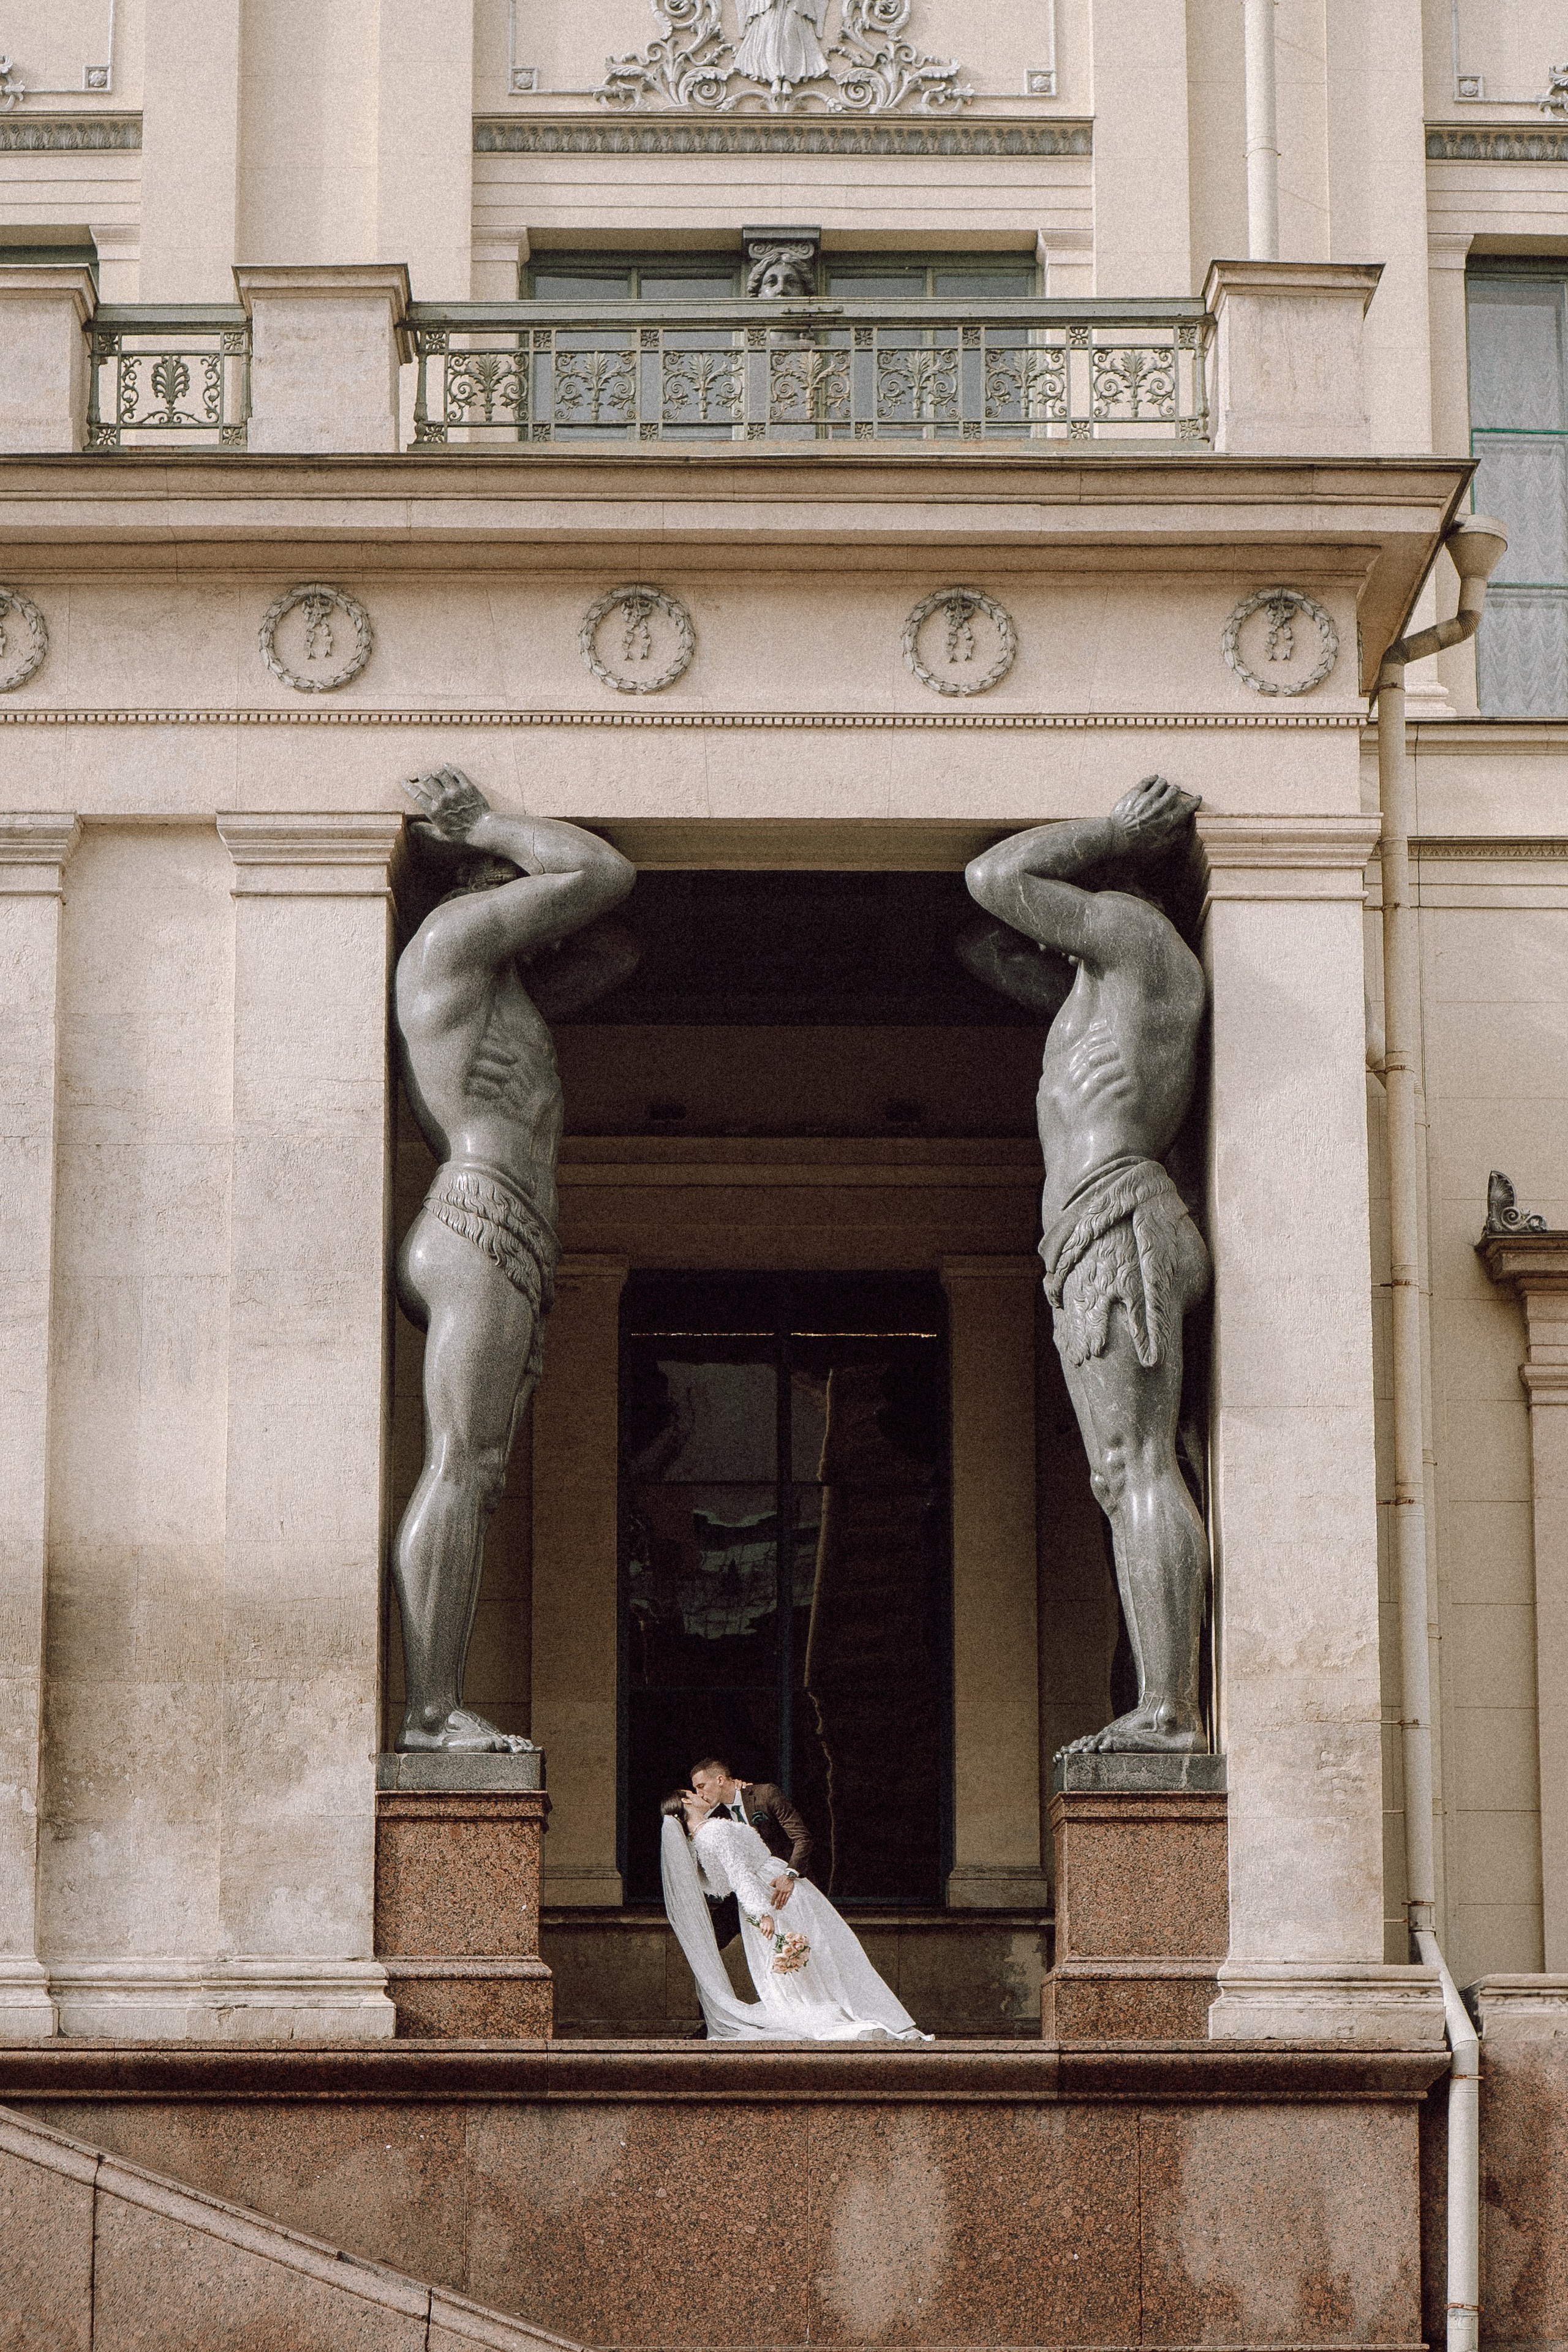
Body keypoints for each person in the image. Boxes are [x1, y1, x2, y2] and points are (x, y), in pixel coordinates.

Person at [962, 774, 1210, 1755]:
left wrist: (1110, 830)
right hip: (1093, 1233)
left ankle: (1168, 1710)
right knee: (1126, 1474)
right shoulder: (1099, 989)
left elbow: (995, 879)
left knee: (1134, 1465)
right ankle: (1161, 1697)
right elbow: (982, 945)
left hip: (1116, 1221)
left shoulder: (1139, 939)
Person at [391, 767, 637, 1752]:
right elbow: (601, 875)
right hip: (476, 1219)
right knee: (460, 1464)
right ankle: (430, 1715)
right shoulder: (448, 942)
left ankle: (436, 1706)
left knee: (480, 1472)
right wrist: (488, 823)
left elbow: (613, 948)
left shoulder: (502, 990)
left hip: (511, 1234)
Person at [659, 1789, 930, 2041]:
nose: (700, 1793)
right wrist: (763, 1913)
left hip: (757, 1898)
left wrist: (755, 1908)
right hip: (772, 1894)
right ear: (686, 1801)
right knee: (820, 1950)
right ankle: (839, 2014)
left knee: (796, 1959)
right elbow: (740, 1876)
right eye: (693, 1791)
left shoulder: (698, 1839)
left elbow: (719, 1886)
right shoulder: (714, 1830)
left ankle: (824, 2008)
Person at [688, 1756, 812, 1949]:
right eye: (696, 1789)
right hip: (748, 1890)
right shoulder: (715, 1817)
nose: (699, 1794)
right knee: (710, 1939)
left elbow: (802, 1838)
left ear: (720, 1780)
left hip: (783, 1887)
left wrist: (789, 1876)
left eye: (701, 1786)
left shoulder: (765, 1794)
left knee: (799, 1948)